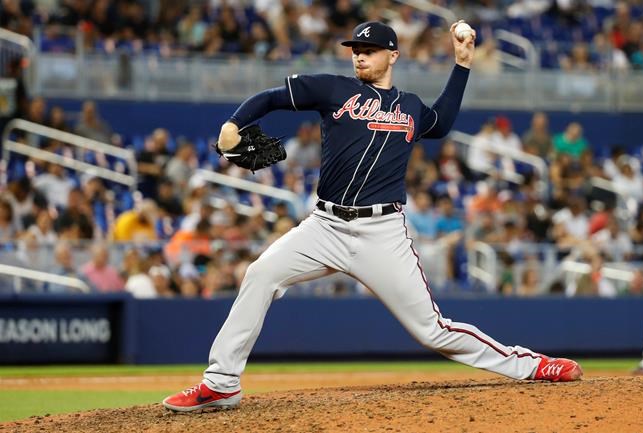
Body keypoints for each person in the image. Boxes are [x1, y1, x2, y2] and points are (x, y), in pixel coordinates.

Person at [163, 20, 582, 413]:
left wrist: (462, 64)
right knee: (260, 274)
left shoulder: (411, 107)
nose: (359, 56)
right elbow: (272, 97)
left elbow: (442, 123)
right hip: (324, 227)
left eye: (370, 50)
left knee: (432, 330)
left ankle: (532, 366)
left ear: (393, 55)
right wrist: (234, 123)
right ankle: (221, 382)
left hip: (382, 232)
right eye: (356, 49)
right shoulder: (333, 90)